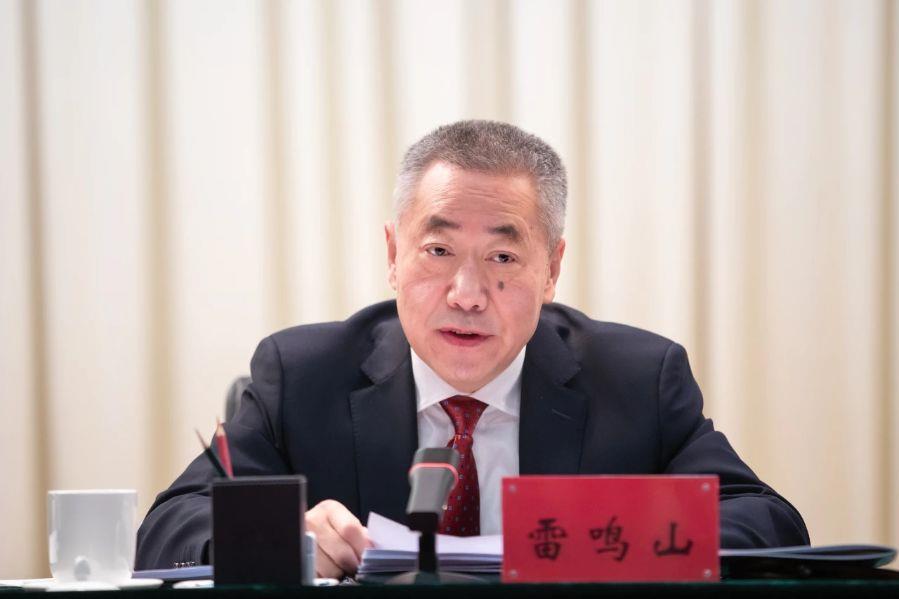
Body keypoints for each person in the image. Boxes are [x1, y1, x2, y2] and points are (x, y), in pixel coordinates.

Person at [136, 120, 809, 578]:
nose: (466, 294)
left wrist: (614, 534)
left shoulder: (636, 380)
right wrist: (280, 537)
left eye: (503, 257)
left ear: (552, 269)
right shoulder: (303, 376)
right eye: (437, 251)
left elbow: (768, 523)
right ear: (393, 255)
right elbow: (169, 528)